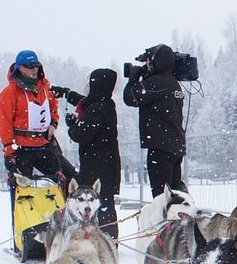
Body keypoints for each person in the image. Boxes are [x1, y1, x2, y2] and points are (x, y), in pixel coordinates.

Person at [62, 69, 122, 239]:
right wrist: (69, 94)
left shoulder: (97, 109)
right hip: (108, 164)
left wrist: (72, 125)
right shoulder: (106, 105)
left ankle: (105, 238)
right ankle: (108, 237)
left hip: (97, 165)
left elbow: (82, 135)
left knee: (99, 204)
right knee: (105, 203)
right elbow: (85, 102)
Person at [123, 43, 186, 196]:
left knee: (162, 199)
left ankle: (165, 220)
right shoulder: (173, 83)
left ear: (157, 62)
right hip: (175, 147)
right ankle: (174, 220)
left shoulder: (157, 83)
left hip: (161, 148)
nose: (147, 65)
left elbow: (130, 97)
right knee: (173, 199)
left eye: (149, 62)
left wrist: (133, 79)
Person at [0, 49, 64, 184]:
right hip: (21, 148)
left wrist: (54, 123)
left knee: (63, 180)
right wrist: (9, 148)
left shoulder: (44, 87)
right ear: (20, 68)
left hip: (44, 144)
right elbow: (4, 122)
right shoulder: (9, 93)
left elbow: (53, 107)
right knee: (23, 191)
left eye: (36, 66)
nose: (34, 70)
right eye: (29, 67)